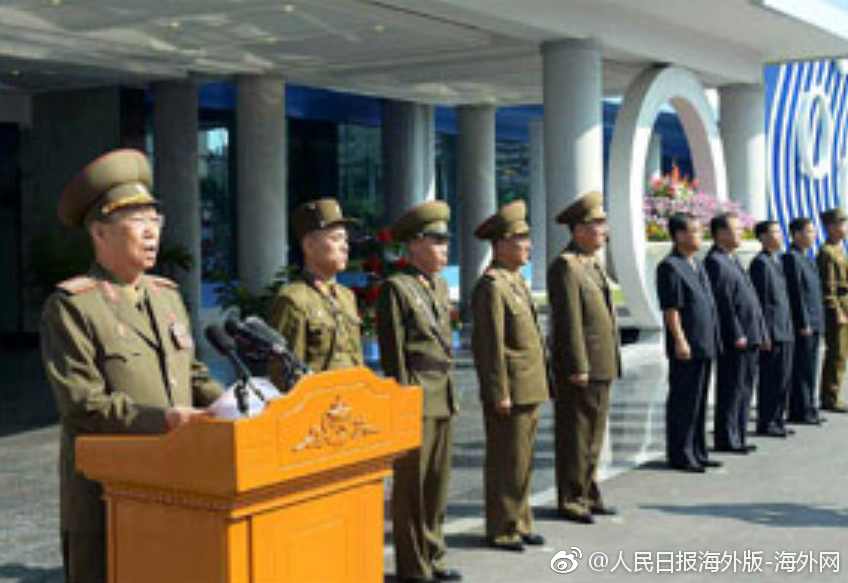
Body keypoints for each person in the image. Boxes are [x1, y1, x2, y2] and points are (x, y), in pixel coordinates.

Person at [40, 149, 224, 583]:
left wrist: (234, 404)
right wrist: (167, 419)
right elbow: (83, 406)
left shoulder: (166, 295)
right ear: (100, 232)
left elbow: (193, 375)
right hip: (108, 496)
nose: (151, 232)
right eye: (137, 221)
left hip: (175, 486)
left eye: (155, 220)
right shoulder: (72, 307)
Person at [376, 201, 461, 583]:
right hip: (417, 397)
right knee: (412, 486)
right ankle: (413, 565)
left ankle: (434, 553)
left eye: (445, 241)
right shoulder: (396, 288)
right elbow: (395, 356)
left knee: (437, 483)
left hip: (441, 393)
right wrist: (405, 402)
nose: (444, 249)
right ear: (414, 244)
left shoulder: (439, 286)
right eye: (437, 241)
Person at [470, 200, 550, 552]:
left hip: (530, 385)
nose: (527, 245)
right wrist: (498, 391)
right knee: (507, 461)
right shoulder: (492, 286)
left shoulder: (515, 280)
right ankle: (502, 528)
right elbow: (490, 346)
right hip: (512, 389)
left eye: (527, 238)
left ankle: (520, 520)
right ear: (500, 244)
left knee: (523, 460)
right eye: (520, 239)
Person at [547, 190, 621, 524]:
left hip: (601, 363)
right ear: (578, 230)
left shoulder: (590, 263)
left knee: (593, 435)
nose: (604, 230)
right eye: (598, 224)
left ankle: (589, 492)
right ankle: (572, 498)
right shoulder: (566, 266)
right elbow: (569, 322)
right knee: (576, 435)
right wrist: (577, 365)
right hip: (583, 366)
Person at [267, 198, 362, 385]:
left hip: (351, 403)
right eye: (335, 239)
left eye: (346, 239)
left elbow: (356, 359)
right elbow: (285, 372)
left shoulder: (346, 296)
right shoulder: (293, 300)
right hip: (318, 407)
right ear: (309, 245)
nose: (345, 246)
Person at [655, 213, 722, 473]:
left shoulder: (696, 264)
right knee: (684, 400)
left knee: (700, 398)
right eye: (693, 231)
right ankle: (681, 453)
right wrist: (680, 340)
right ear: (679, 235)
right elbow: (671, 309)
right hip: (687, 345)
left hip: (704, 341)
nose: (699, 235)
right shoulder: (670, 266)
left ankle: (698, 449)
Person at [704, 213, 769, 454]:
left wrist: (760, 332)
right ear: (720, 233)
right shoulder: (715, 261)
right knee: (732, 388)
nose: (741, 233)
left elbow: (750, 300)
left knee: (744, 388)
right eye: (736, 229)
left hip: (751, 334)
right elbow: (724, 304)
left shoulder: (732, 259)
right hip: (736, 339)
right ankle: (727, 437)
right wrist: (737, 333)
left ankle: (738, 435)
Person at [749, 221, 795, 437]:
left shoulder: (776, 261)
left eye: (779, 231)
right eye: (774, 232)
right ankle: (766, 422)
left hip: (785, 327)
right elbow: (762, 302)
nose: (780, 235)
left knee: (783, 378)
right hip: (772, 330)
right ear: (763, 237)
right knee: (770, 379)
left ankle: (777, 419)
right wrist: (764, 332)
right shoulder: (760, 263)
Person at [783, 217, 825, 424]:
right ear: (796, 234)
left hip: (815, 319)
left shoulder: (807, 257)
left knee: (810, 367)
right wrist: (803, 322)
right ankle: (800, 410)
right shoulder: (791, 258)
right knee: (802, 368)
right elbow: (797, 293)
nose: (813, 235)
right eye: (809, 231)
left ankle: (809, 406)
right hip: (805, 322)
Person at [816, 208, 848, 413]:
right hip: (837, 308)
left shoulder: (839, 248)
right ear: (830, 227)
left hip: (845, 303)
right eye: (841, 224)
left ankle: (833, 393)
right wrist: (836, 311)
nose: (844, 229)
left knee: (842, 354)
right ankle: (829, 396)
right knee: (836, 353)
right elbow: (828, 286)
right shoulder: (827, 252)